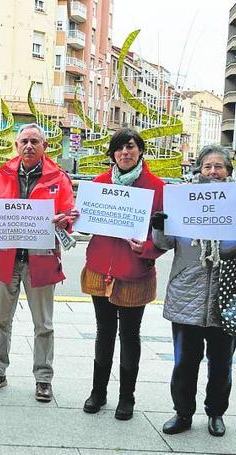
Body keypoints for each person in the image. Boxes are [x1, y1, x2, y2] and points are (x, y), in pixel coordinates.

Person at [152, 145, 236, 437]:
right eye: (207, 166)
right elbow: (165, 244)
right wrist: (160, 227)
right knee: (184, 362)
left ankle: (216, 413)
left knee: (221, 364)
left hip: (227, 296)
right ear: (199, 171)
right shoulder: (182, 202)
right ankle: (182, 413)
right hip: (186, 293)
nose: (213, 171)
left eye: (219, 166)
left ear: (229, 171)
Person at [0, 123, 75, 402]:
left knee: (43, 324)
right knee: (0, 320)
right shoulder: (3, 174)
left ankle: (43, 379)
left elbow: (69, 217)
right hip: (7, 258)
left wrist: (65, 220)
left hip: (41, 260)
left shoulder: (59, 178)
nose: (29, 146)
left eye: (34, 141)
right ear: (16, 146)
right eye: (24, 142)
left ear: (45, 146)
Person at [78, 128, 165, 420]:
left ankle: (126, 397)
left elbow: (166, 236)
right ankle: (98, 392)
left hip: (134, 272)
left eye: (130, 147)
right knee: (104, 332)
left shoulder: (156, 187)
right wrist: (80, 220)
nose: (125, 153)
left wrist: (148, 248)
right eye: (119, 148)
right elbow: (86, 225)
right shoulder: (99, 183)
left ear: (140, 151)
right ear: (112, 154)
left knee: (129, 335)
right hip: (101, 268)